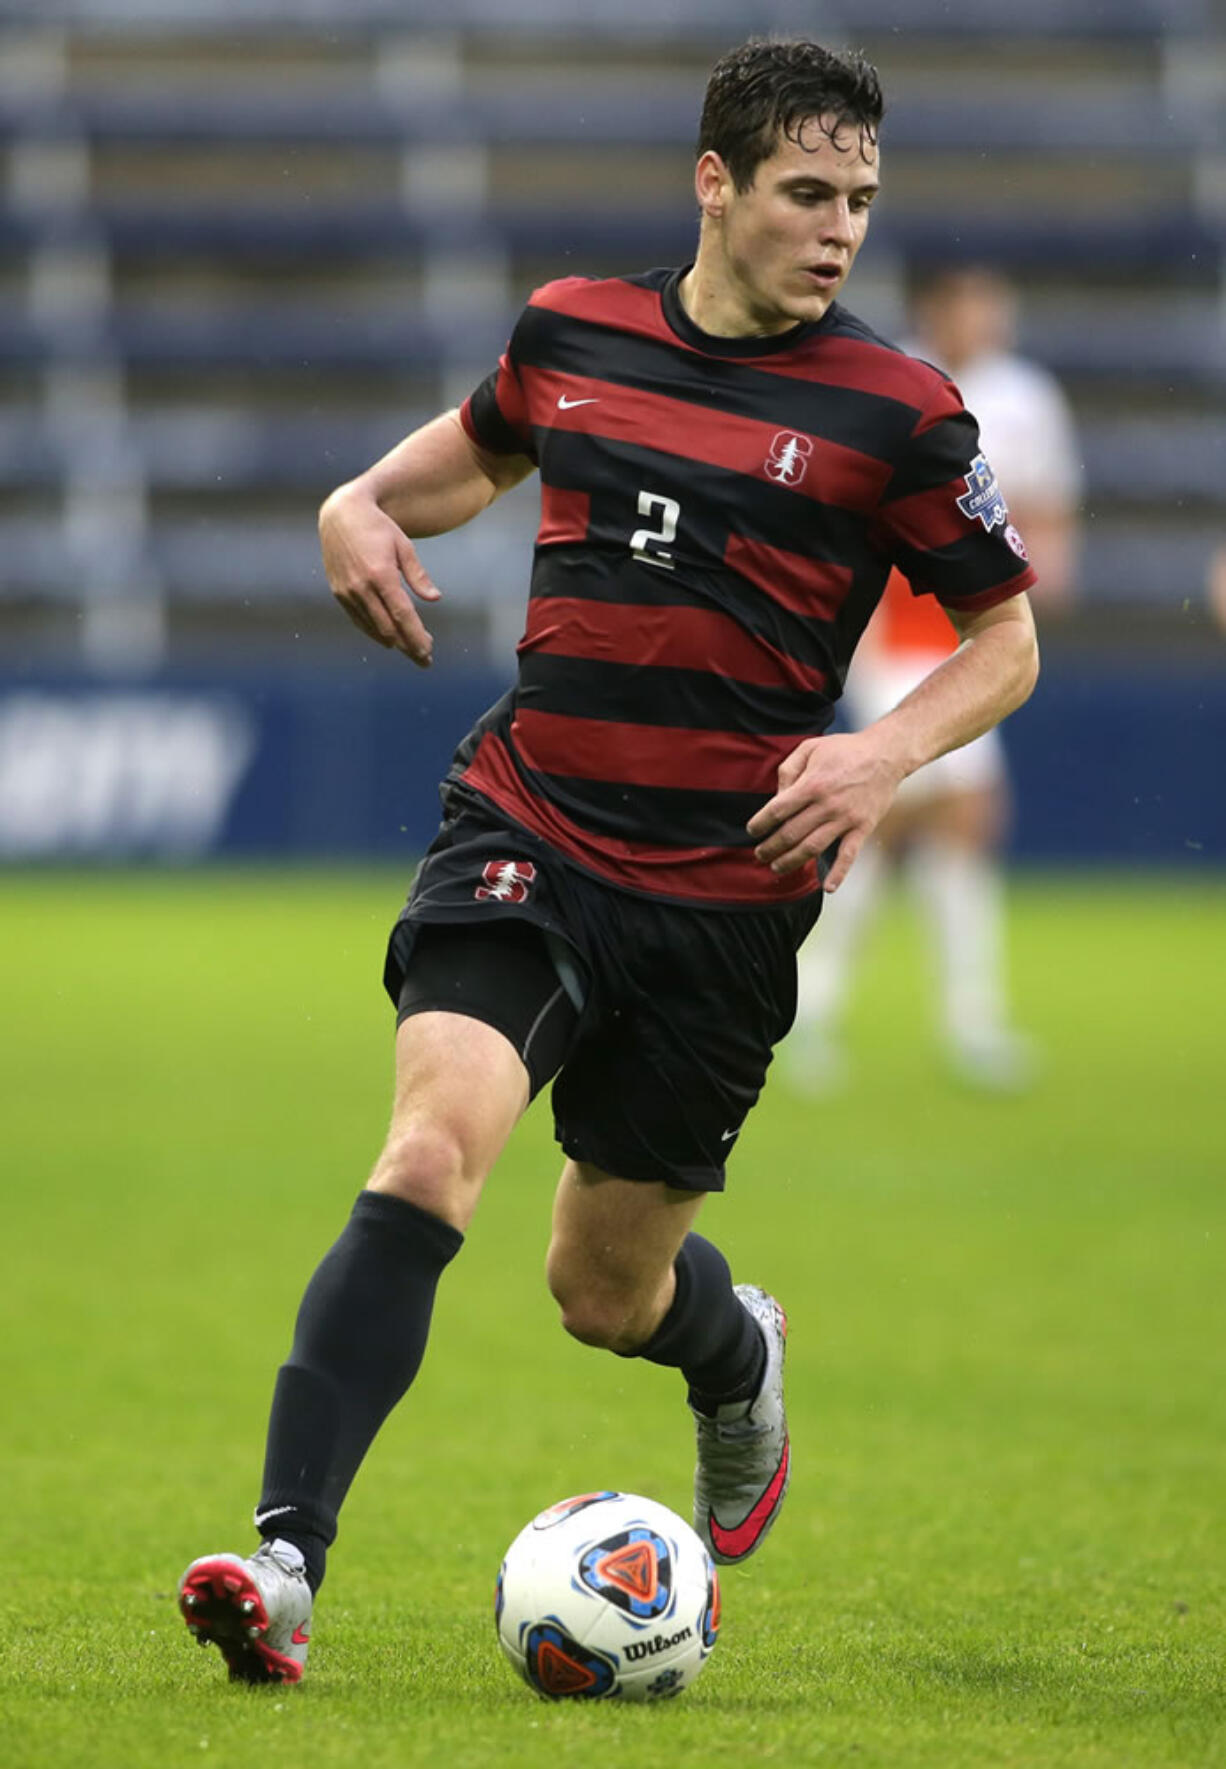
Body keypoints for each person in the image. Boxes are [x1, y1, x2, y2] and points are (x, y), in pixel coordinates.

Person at [178, 39, 1039, 1687]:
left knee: (601, 1281)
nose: (839, 227)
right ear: (712, 183)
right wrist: (352, 503)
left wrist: (874, 752)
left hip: (726, 894)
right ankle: (284, 1558)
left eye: (859, 199)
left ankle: (737, 1349)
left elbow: (1005, 645)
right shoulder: (574, 329)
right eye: (805, 192)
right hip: (535, 826)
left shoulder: (902, 412)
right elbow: (451, 463)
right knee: (431, 1150)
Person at [789, 263, 1079, 1091]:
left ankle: (826, 1008)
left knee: (907, 824)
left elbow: (1045, 507)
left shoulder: (1025, 397)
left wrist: (1041, 578)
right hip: (895, 632)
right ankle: (956, 1018)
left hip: (971, 634)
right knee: (951, 813)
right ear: (936, 309)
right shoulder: (898, 382)